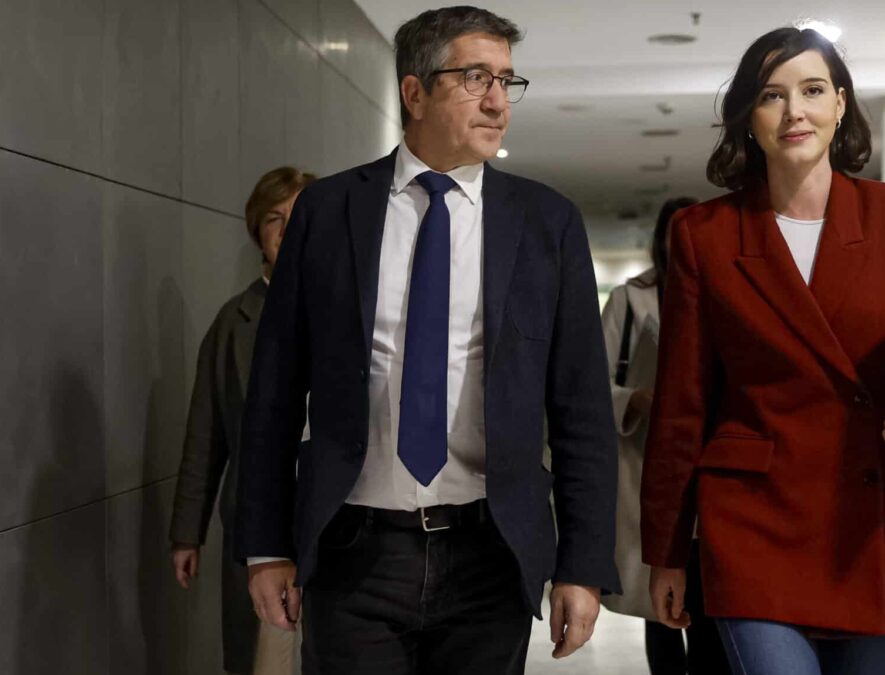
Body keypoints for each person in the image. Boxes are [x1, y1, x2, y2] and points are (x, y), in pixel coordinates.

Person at [233, 6, 620, 674]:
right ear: (415, 92)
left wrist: (582, 564)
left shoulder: (546, 222)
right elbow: (273, 388)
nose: (499, 100)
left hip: (489, 552)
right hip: (356, 551)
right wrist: (266, 545)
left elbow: (582, 408)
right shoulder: (329, 213)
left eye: (506, 80)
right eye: (476, 77)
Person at [640, 26, 885, 675]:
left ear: (840, 104)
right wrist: (667, 550)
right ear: (748, 117)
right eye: (772, 95)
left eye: (813, 90)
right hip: (753, 524)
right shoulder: (703, 235)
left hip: (869, 523)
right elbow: (683, 403)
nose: (795, 112)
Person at [168, 166, 315, 675]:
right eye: (274, 218)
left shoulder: (351, 309)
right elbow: (205, 434)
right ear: (259, 231)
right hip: (258, 519)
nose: (286, 229)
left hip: (335, 521)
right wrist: (188, 533)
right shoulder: (235, 321)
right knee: (264, 658)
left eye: (297, 217)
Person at [600, 197, 729, 675]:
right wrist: (636, 400)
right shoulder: (631, 298)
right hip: (647, 458)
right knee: (660, 597)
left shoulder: (729, 289)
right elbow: (592, 383)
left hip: (714, 463)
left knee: (712, 598)